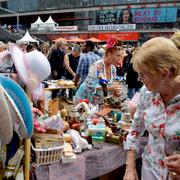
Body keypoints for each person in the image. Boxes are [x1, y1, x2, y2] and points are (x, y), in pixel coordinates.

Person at [123, 37, 180, 180]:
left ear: (164, 73)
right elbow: (135, 130)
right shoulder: (147, 93)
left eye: (143, 74)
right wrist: (130, 167)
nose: (139, 79)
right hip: (150, 170)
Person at [75, 37, 125, 105]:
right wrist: (110, 88)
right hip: (84, 101)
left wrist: (116, 92)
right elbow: (91, 86)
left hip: (98, 103)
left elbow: (107, 88)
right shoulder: (96, 66)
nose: (120, 59)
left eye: (121, 56)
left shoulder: (113, 69)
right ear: (109, 55)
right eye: (118, 55)